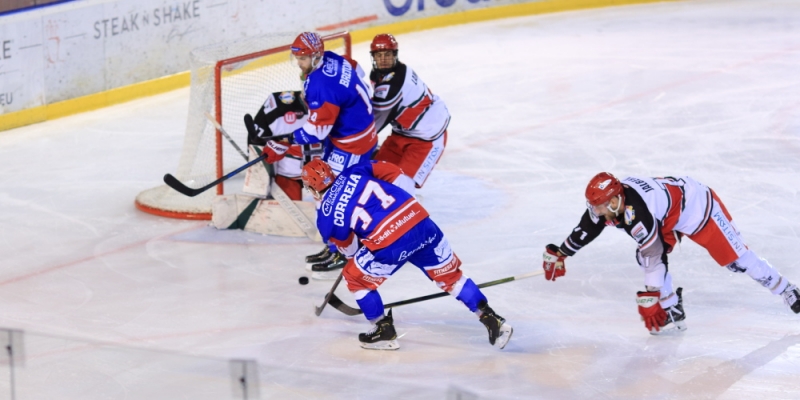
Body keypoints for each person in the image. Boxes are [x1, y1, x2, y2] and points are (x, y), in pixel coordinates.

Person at [541, 173, 800, 334]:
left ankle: (787, 289)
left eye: (599, 207)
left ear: (615, 201)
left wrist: (651, 295)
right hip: (667, 215)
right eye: (593, 207)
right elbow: (590, 224)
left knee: (737, 261)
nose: (596, 212)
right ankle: (672, 308)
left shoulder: (637, 213)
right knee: (643, 256)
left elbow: (655, 254)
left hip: (698, 208)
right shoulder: (612, 203)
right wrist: (563, 251)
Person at [301, 159, 513, 350]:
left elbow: (350, 251)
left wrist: (362, 252)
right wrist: (406, 206)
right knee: (452, 278)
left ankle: (383, 331)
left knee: (355, 279)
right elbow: (395, 172)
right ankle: (492, 319)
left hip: (389, 243)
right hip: (421, 223)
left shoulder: (326, 218)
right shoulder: (355, 171)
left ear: (312, 188)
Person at [261, 32, 378, 275]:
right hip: (352, 135)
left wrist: (285, 142)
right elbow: (358, 72)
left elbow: (316, 132)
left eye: (303, 58)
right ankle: (334, 245)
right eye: (297, 57)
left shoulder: (322, 85)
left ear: (316, 56)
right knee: (325, 192)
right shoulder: (334, 59)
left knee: (332, 195)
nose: (299, 63)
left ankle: (344, 252)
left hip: (352, 144)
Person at [369, 33, 450, 189]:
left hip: (427, 140)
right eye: (379, 55)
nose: (383, 59)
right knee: (375, 175)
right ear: (373, 57)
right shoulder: (382, 74)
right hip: (402, 133)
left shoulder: (395, 84)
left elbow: (377, 121)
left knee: (402, 188)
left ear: (395, 55)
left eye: (388, 54)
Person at [244, 90, 322, 200]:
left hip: (325, 175)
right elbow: (257, 140)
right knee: (282, 214)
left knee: (333, 211)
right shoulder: (277, 105)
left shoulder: (340, 102)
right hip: (287, 176)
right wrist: (258, 148)